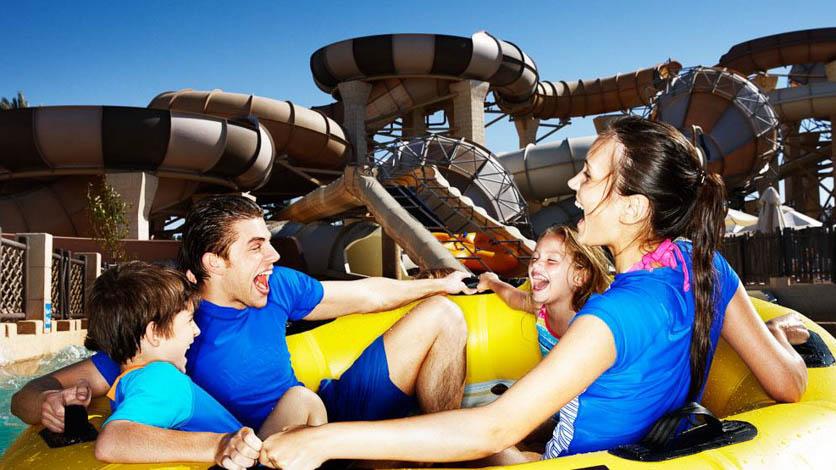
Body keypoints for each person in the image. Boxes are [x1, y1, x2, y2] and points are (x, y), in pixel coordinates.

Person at [256, 116, 809, 469]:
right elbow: (788, 383)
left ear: (634, 208)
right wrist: (769, 336)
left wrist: (323, 442)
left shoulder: (609, 317)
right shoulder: (703, 265)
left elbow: (492, 429)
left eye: (589, 176)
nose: (573, 184)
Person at [11, 195, 473, 457]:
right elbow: (30, 393)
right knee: (299, 400)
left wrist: (440, 286)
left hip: (326, 408)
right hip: (268, 448)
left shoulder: (277, 286)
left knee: (443, 316)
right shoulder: (172, 326)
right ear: (214, 262)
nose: (272, 256)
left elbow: (366, 295)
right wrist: (46, 403)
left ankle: (439, 452)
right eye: (256, 247)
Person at [85, 261, 262, 468]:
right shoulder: (159, 377)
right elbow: (111, 442)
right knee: (298, 396)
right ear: (155, 333)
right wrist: (219, 445)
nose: (196, 330)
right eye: (188, 320)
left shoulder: (133, 381)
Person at [478, 225, 610, 356]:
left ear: (579, 277)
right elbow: (513, 298)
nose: (535, 264)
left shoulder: (590, 323)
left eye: (551, 260)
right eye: (535, 258)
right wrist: (491, 281)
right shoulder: (541, 309)